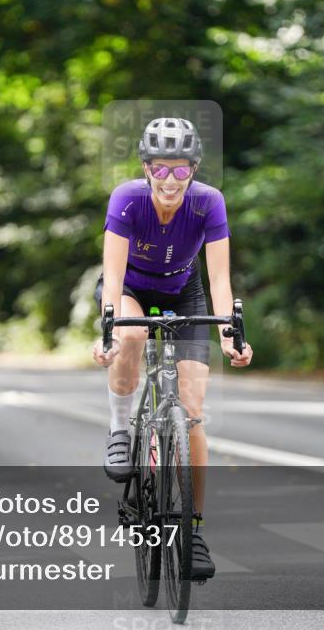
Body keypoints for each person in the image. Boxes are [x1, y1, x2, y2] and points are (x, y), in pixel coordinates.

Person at [92, 117, 253, 580]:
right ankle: (121, 430)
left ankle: (194, 529)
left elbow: (219, 278)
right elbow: (114, 275)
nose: (169, 181)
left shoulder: (208, 203)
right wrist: (110, 333)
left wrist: (229, 337)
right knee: (135, 333)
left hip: (185, 292)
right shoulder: (127, 199)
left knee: (193, 410)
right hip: (131, 290)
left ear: (194, 170)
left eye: (180, 171)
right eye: (160, 170)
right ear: (145, 169)